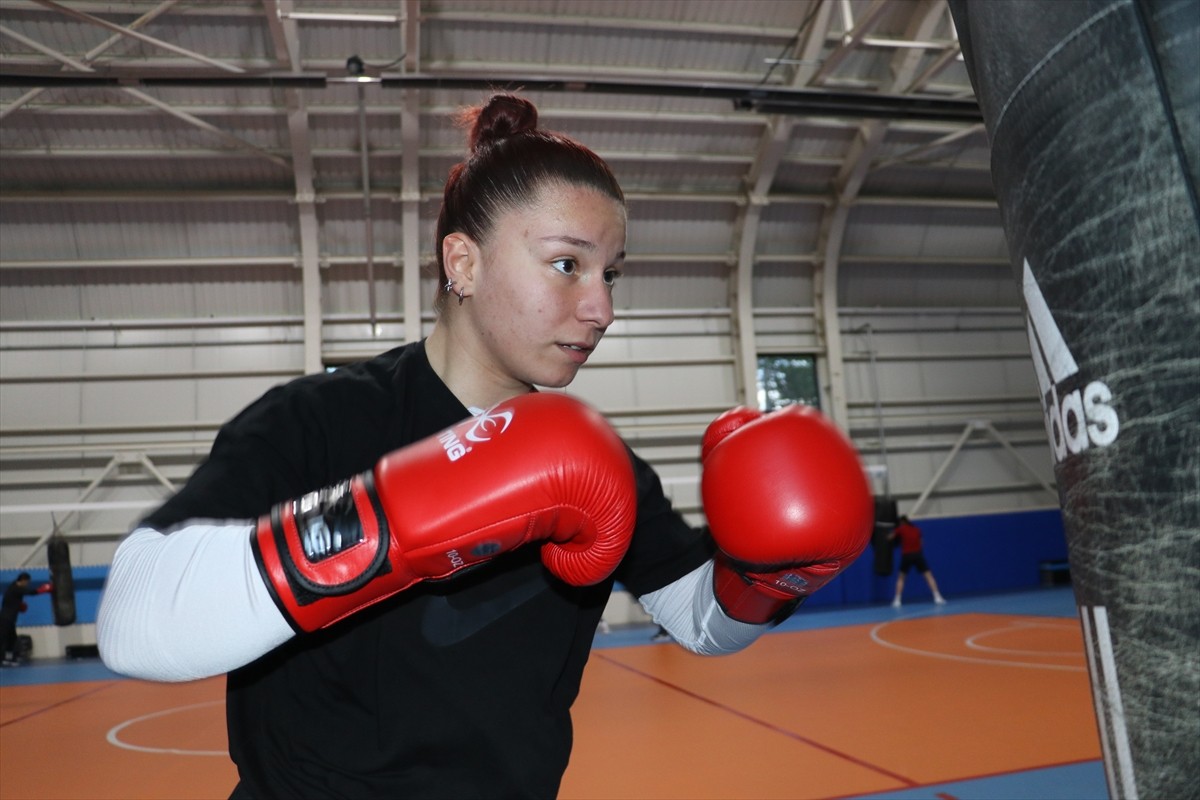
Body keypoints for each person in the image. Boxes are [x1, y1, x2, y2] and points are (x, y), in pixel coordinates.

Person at [96, 93, 874, 799]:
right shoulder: (321, 420)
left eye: (612, 275)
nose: (601, 307)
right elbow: (133, 619)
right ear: (461, 262)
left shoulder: (600, 462)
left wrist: (772, 576)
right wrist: (404, 517)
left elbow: (701, 623)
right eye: (567, 265)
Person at [889, 515, 947, 607]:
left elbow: (890, 537)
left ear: (902, 522)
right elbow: (921, 542)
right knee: (928, 576)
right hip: (918, 555)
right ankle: (937, 597)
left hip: (907, 556)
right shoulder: (917, 529)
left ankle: (897, 600)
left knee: (901, 578)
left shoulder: (901, 528)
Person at [1, 572, 51, 666]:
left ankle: (9, 658)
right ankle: (2, 659)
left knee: (12, 639)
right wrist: (43, 590)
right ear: (23, 580)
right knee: (4, 639)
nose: (27, 584)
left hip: (9, 618)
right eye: (27, 582)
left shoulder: (13, 587)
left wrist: (18, 605)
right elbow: (31, 592)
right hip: (5, 618)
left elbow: (9, 600)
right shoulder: (16, 588)